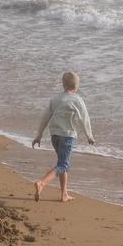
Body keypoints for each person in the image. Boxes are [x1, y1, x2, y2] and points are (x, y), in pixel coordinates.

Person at [31, 71, 95, 202]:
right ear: (77, 86)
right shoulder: (77, 99)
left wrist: (39, 135)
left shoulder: (56, 99)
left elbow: (45, 117)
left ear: (63, 84)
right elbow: (84, 118)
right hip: (67, 136)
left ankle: (64, 194)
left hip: (54, 135)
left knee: (62, 163)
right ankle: (42, 183)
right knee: (63, 165)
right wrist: (89, 135)